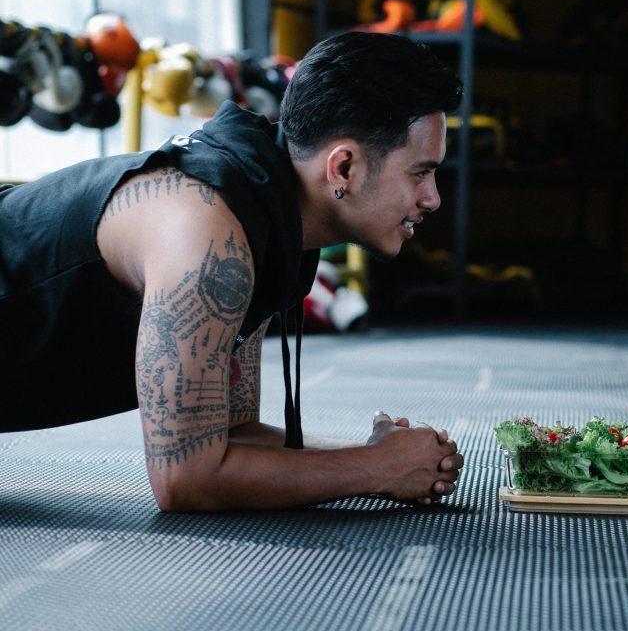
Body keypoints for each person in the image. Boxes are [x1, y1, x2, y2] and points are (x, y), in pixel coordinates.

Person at [0, 31, 465, 512]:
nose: (432, 198)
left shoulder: (265, 216)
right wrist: (378, 470)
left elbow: (232, 438)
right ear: (342, 167)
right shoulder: (207, 232)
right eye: (419, 172)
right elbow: (186, 479)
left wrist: (379, 454)